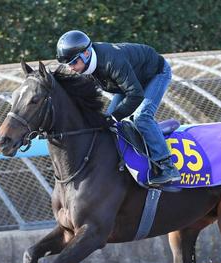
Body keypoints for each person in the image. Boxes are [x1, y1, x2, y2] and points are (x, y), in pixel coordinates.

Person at [56, 30, 181, 186]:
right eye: (67, 64)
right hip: (131, 82)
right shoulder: (85, 68)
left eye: (73, 62)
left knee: (141, 117)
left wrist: (114, 116)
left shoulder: (112, 61)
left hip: (156, 74)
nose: (70, 68)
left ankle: (167, 167)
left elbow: (135, 95)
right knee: (110, 123)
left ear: (86, 53)